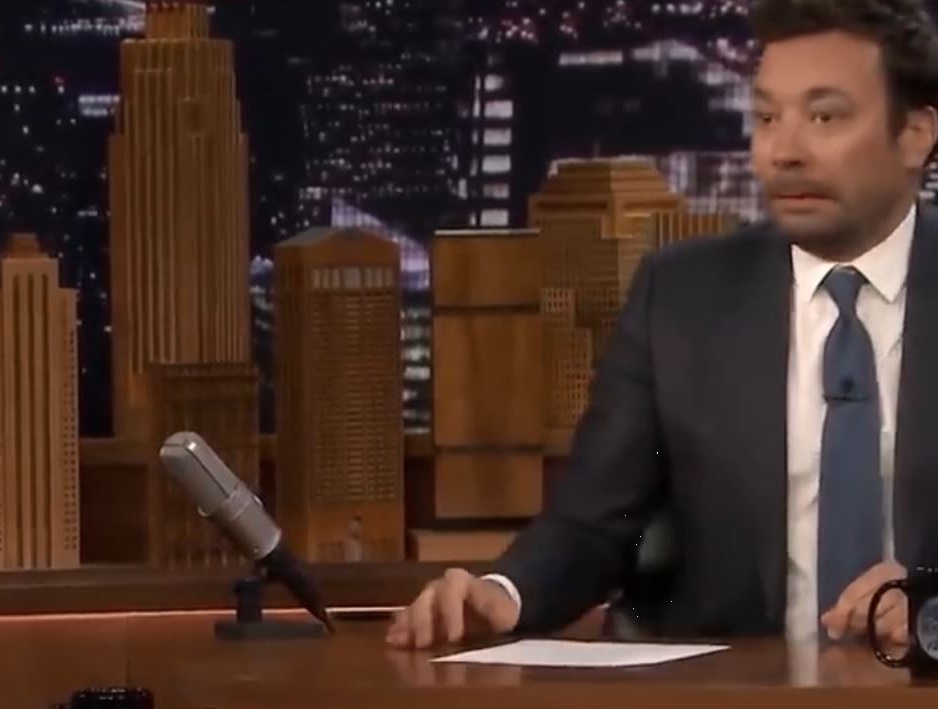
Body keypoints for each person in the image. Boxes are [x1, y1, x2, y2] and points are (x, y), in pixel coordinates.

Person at [388, 0, 938, 653]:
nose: (783, 152)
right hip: (727, 698)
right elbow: (592, 523)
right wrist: (505, 594)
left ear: (915, 133)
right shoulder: (680, 298)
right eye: (766, 117)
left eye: (824, 117)